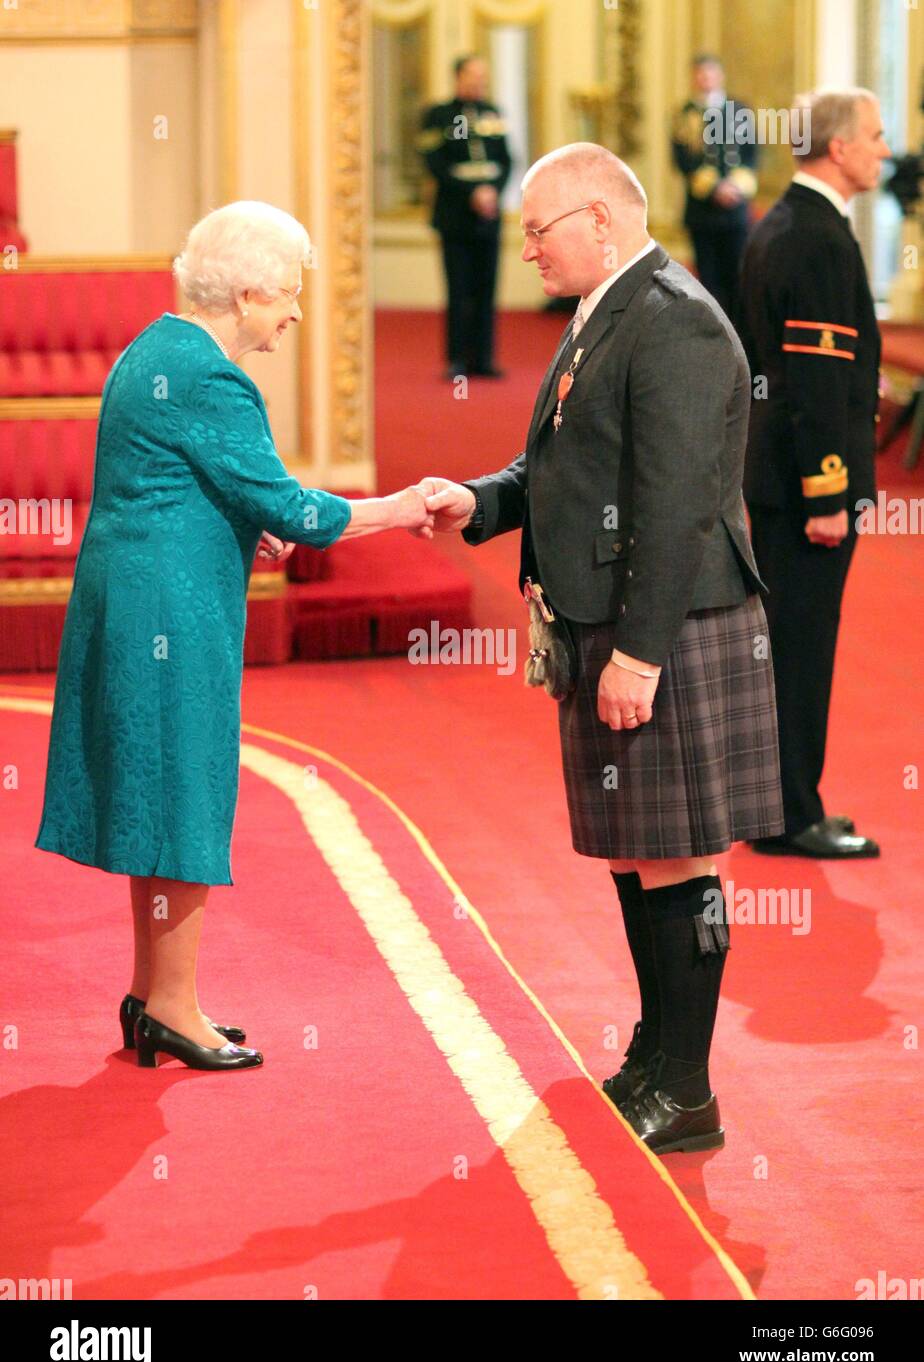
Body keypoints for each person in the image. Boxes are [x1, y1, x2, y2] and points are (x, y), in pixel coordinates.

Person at [418, 143, 785, 1154]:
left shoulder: (672, 321)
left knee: (680, 857)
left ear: (603, 222)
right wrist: (484, 499)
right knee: (636, 853)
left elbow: (674, 512)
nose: (526, 247)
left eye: (539, 229)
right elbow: (566, 458)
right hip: (611, 620)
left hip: (664, 626)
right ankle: (656, 1053)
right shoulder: (605, 308)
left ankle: (690, 1085)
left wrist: (640, 655)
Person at [34, 201, 433, 1072]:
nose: (293, 313)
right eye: (288, 295)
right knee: (183, 792)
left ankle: (152, 1000)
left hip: (133, 597)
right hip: (170, 612)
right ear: (248, 294)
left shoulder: (154, 350)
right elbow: (297, 509)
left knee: (157, 793)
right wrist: (404, 508)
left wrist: (238, 525)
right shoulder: (214, 379)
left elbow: (166, 484)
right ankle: (173, 1007)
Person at [737, 89, 889, 858]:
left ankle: (778, 805)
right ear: (836, 147)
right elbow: (814, 383)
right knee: (799, 648)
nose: (884, 150)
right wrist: (829, 491)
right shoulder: (819, 238)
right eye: (874, 135)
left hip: (774, 473)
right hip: (806, 487)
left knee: (785, 645)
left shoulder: (784, 224)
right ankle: (790, 816)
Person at [418, 54, 513, 379]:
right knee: (458, 289)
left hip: (488, 216)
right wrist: (471, 192)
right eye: (473, 75)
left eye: (483, 76)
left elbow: (506, 159)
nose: (479, 82)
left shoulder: (493, 113)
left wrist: (492, 191)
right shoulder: (438, 115)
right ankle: (457, 359)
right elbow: (434, 163)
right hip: (455, 215)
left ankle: (483, 359)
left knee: (486, 288)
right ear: (458, 77)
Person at [671, 53, 758, 315]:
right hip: (702, 212)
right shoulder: (684, 114)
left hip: (735, 211)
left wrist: (734, 188)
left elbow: (751, 154)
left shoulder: (739, 110)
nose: (705, 78)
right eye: (700, 73)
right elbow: (681, 158)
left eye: (710, 73)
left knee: (738, 279)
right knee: (709, 281)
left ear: (720, 75)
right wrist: (714, 189)